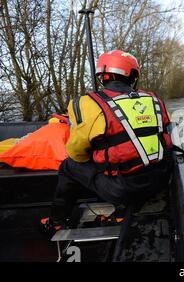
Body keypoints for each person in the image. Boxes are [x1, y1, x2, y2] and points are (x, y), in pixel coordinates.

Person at [41, 50, 173, 232]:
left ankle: (56, 222)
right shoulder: (155, 99)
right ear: (133, 76)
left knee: (68, 166)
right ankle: (120, 210)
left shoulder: (87, 103)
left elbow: (77, 153)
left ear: (102, 76)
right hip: (160, 179)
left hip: (124, 189)